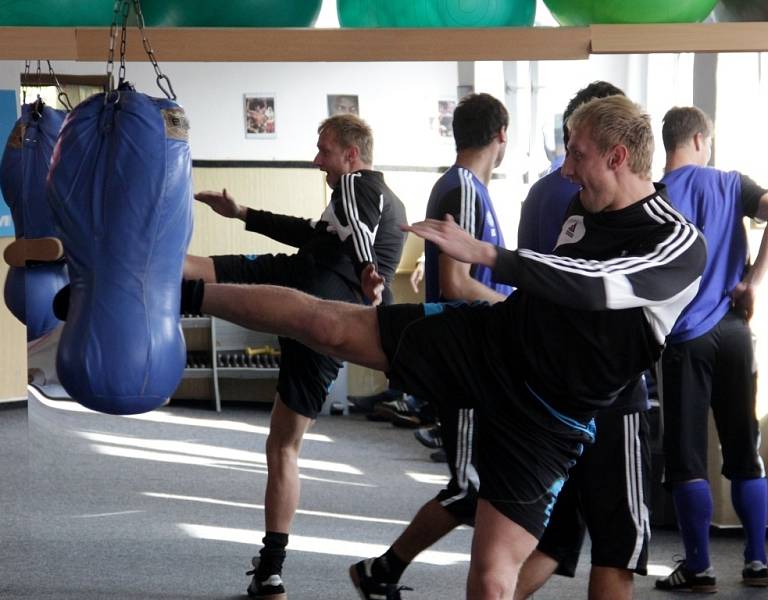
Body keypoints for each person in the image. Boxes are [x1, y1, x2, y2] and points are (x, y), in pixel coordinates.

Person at [180, 95, 707, 599]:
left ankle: (386, 570)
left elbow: (597, 283)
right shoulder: (580, 205)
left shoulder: (679, 244)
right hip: (491, 342)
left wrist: (488, 254)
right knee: (329, 325)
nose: (567, 169)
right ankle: (185, 292)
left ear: (617, 157)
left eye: (577, 154)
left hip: (551, 422)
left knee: (491, 580)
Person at [185, 113, 407, 599]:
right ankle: (271, 569)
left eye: (324, 150)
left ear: (351, 155)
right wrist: (242, 213)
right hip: (327, 321)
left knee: (193, 272)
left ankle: (110, 278)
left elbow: (354, 221)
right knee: (283, 445)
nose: (316, 160)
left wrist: (370, 270)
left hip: (310, 296)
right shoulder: (379, 204)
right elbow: (315, 230)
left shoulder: (359, 186)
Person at [348, 92, 512, 599]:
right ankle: (382, 570)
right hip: (463, 359)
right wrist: (518, 310)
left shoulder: (467, 188)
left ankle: (389, 572)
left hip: (480, 358)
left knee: (486, 487)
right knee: (469, 488)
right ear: (501, 136)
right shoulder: (463, 187)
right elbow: (460, 285)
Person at [514, 82, 652, 600]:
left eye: (575, 151)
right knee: (616, 550)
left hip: (553, 394)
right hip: (608, 398)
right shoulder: (637, 209)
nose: (569, 164)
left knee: (553, 541)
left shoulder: (546, 195)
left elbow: (533, 282)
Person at [654, 105, 768, 592]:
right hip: (734, 332)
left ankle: (699, 566)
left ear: (669, 143)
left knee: (687, 457)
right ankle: (759, 560)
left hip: (684, 337)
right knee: (744, 450)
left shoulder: (654, 196)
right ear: (700, 140)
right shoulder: (731, 183)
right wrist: (752, 281)